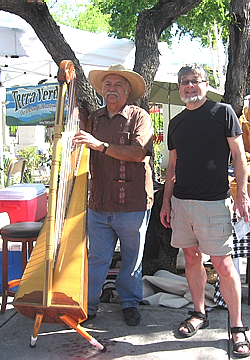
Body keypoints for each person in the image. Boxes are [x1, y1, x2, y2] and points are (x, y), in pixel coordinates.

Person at [160, 63, 250, 358]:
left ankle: (237, 327)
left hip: (214, 203)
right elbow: (172, 166)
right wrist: (166, 202)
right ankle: (199, 312)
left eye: (195, 81)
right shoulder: (175, 123)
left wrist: (242, 194)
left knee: (224, 265)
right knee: (190, 259)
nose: (189, 86)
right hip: (181, 204)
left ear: (205, 84)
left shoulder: (223, 112)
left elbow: (239, 156)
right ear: (179, 87)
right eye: (184, 82)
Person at [73, 64, 154, 326]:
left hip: (132, 202)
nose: (111, 89)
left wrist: (101, 146)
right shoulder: (93, 119)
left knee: (132, 258)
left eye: (118, 85)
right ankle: (89, 305)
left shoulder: (140, 117)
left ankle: (129, 302)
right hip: (99, 202)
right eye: (107, 84)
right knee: (97, 258)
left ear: (128, 91)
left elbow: (138, 153)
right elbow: (75, 143)